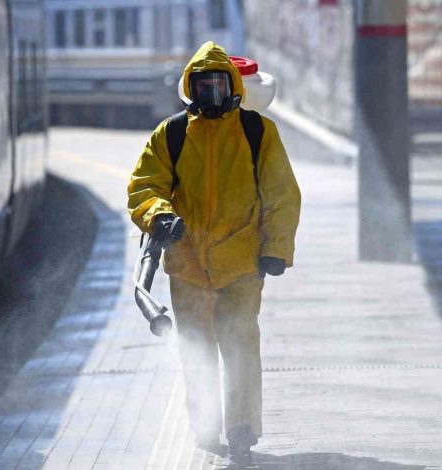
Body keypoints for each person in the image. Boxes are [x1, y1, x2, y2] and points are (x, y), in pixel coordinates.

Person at [127, 41, 301, 463]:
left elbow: (282, 195)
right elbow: (145, 186)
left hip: (242, 265)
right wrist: (160, 215)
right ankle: (205, 425)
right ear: (191, 88)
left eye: (218, 86)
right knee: (197, 352)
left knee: (241, 346)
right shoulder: (171, 134)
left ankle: (241, 429)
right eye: (203, 87)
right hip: (187, 267)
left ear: (233, 87)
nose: (211, 95)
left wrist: (276, 248)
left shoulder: (257, 133)